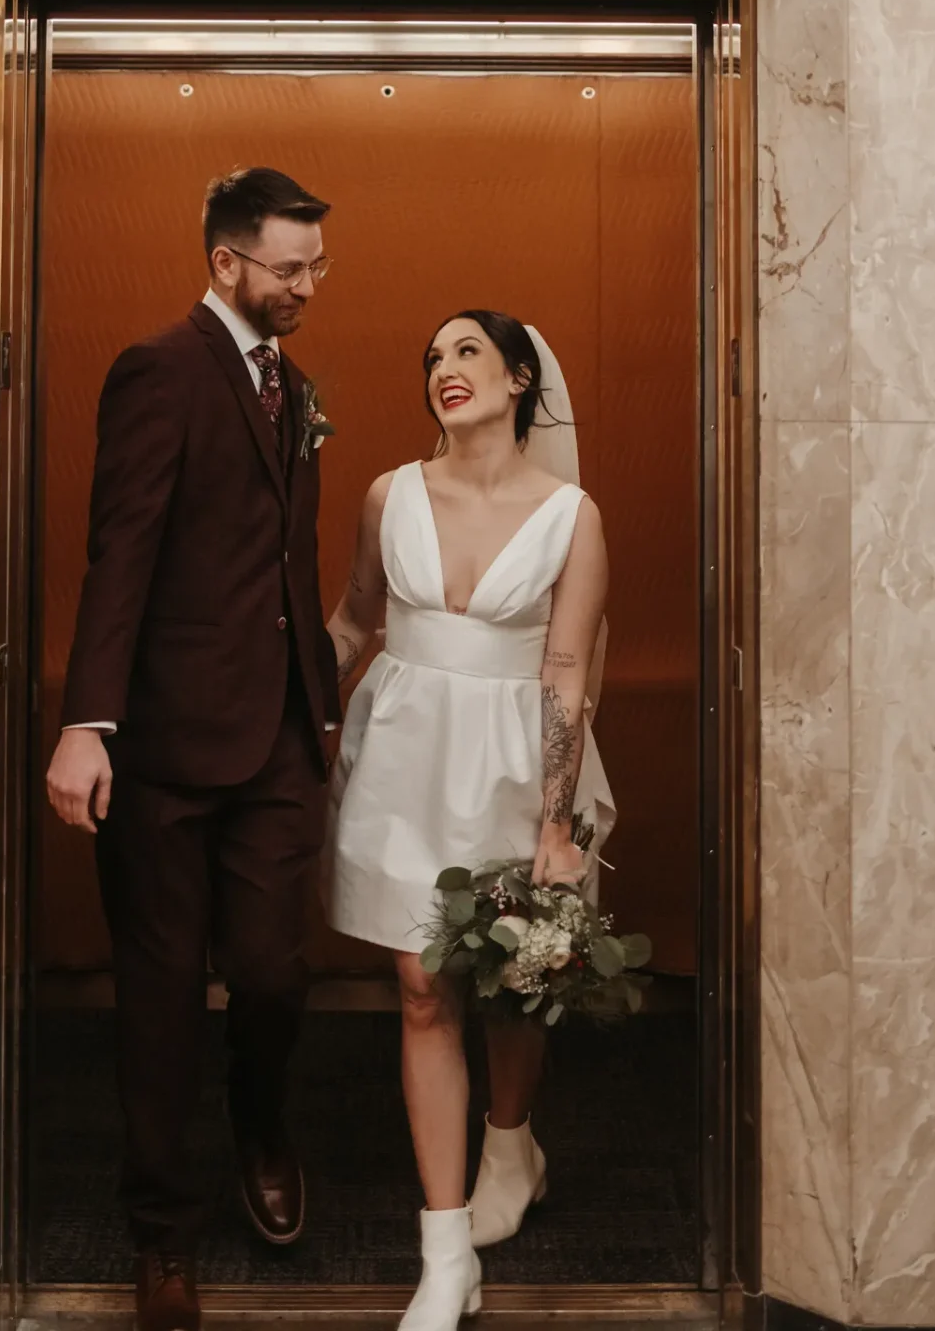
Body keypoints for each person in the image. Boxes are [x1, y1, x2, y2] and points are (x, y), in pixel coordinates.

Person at [45, 167, 340, 1331]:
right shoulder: (159, 370)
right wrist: (87, 721)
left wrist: (317, 702)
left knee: (274, 972)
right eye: (289, 267)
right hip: (161, 742)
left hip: (275, 739)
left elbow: (282, 571)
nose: (309, 285)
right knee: (160, 996)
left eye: (317, 265)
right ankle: (161, 1235)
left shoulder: (294, 386)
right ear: (226, 264)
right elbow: (119, 551)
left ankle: (261, 1126)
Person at [325, 311, 615, 1331]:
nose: (443, 371)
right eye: (432, 359)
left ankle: (510, 1139)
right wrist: (262, 699)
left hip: (507, 764)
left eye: (466, 354)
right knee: (416, 985)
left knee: (506, 981)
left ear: (519, 377)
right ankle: (442, 1253)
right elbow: (354, 617)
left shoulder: (567, 514)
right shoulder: (386, 494)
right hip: (401, 759)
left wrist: (553, 818)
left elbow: (566, 671)